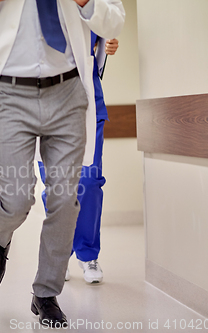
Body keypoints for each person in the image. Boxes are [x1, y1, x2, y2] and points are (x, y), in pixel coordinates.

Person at [0, 0, 125, 327]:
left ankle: (46, 293)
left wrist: (87, 3)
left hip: (68, 92)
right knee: (17, 197)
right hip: (10, 94)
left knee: (66, 200)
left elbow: (114, 21)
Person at [38, 36, 120, 284]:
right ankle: (59, 255)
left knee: (90, 181)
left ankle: (87, 254)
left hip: (88, 104)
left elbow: (103, 39)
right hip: (46, 106)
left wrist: (109, 45)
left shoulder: (88, 7)